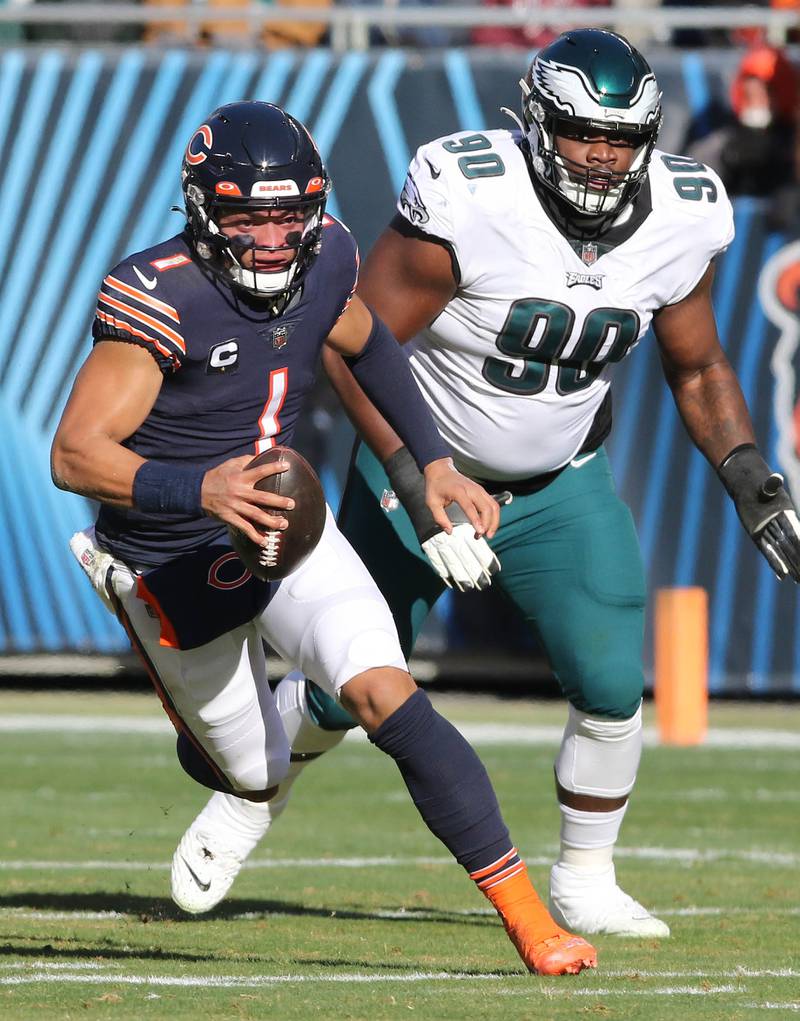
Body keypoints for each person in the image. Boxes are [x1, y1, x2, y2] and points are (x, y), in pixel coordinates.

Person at [168, 32, 800, 937]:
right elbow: (354, 343)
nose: (601, 154)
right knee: (349, 681)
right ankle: (246, 798)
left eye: (621, 138)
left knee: (615, 680)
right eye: (582, 131)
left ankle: (585, 876)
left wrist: (752, 480)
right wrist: (414, 474)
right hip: (423, 463)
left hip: (558, 482)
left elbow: (697, 366)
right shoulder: (474, 195)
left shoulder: (683, 212)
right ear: (538, 122)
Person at [51, 101, 597, 977]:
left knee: (390, 695)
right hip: (169, 556)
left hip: (285, 513)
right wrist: (200, 486)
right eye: (246, 217)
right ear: (203, 210)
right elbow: (75, 454)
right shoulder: (162, 293)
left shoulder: (331, 253)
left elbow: (368, 341)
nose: (271, 240)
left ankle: (533, 923)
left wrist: (433, 463)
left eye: (286, 215)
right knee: (252, 774)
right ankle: (228, 744)